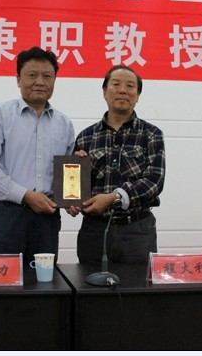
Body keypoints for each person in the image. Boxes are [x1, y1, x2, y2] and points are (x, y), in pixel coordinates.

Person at [0, 46, 75, 265]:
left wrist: (72, 198)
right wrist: (25, 195)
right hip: (3, 216)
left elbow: (67, 175)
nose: (40, 82)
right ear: (18, 79)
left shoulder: (64, 124)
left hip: (46, 220)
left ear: (54, 80)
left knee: (43, 280)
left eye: (47, 76)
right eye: (32, 75)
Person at [69, 65, 165, 265]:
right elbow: (75, 190)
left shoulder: (151, 134)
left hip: (137, 230)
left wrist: (114, 197)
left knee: (138, 284)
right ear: (104, 91)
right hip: (93, 230)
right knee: (89, 282)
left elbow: (154, 182)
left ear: (138, 95)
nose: (123, 90)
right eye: (116, 84)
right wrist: (72, 198)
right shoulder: (86, 136)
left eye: (130, 86)